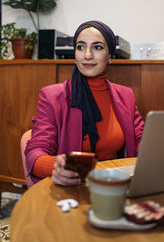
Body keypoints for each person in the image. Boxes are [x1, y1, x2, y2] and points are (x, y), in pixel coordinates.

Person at [25, 20, 144, 186]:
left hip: (115, 183)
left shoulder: (126, 95)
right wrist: (56, 168)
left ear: (110, 56)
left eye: (97, 47)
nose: (87, 55)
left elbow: (142, 142)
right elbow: (34, 153)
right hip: (73, 187)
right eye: (80, 47)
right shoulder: (52, 96)